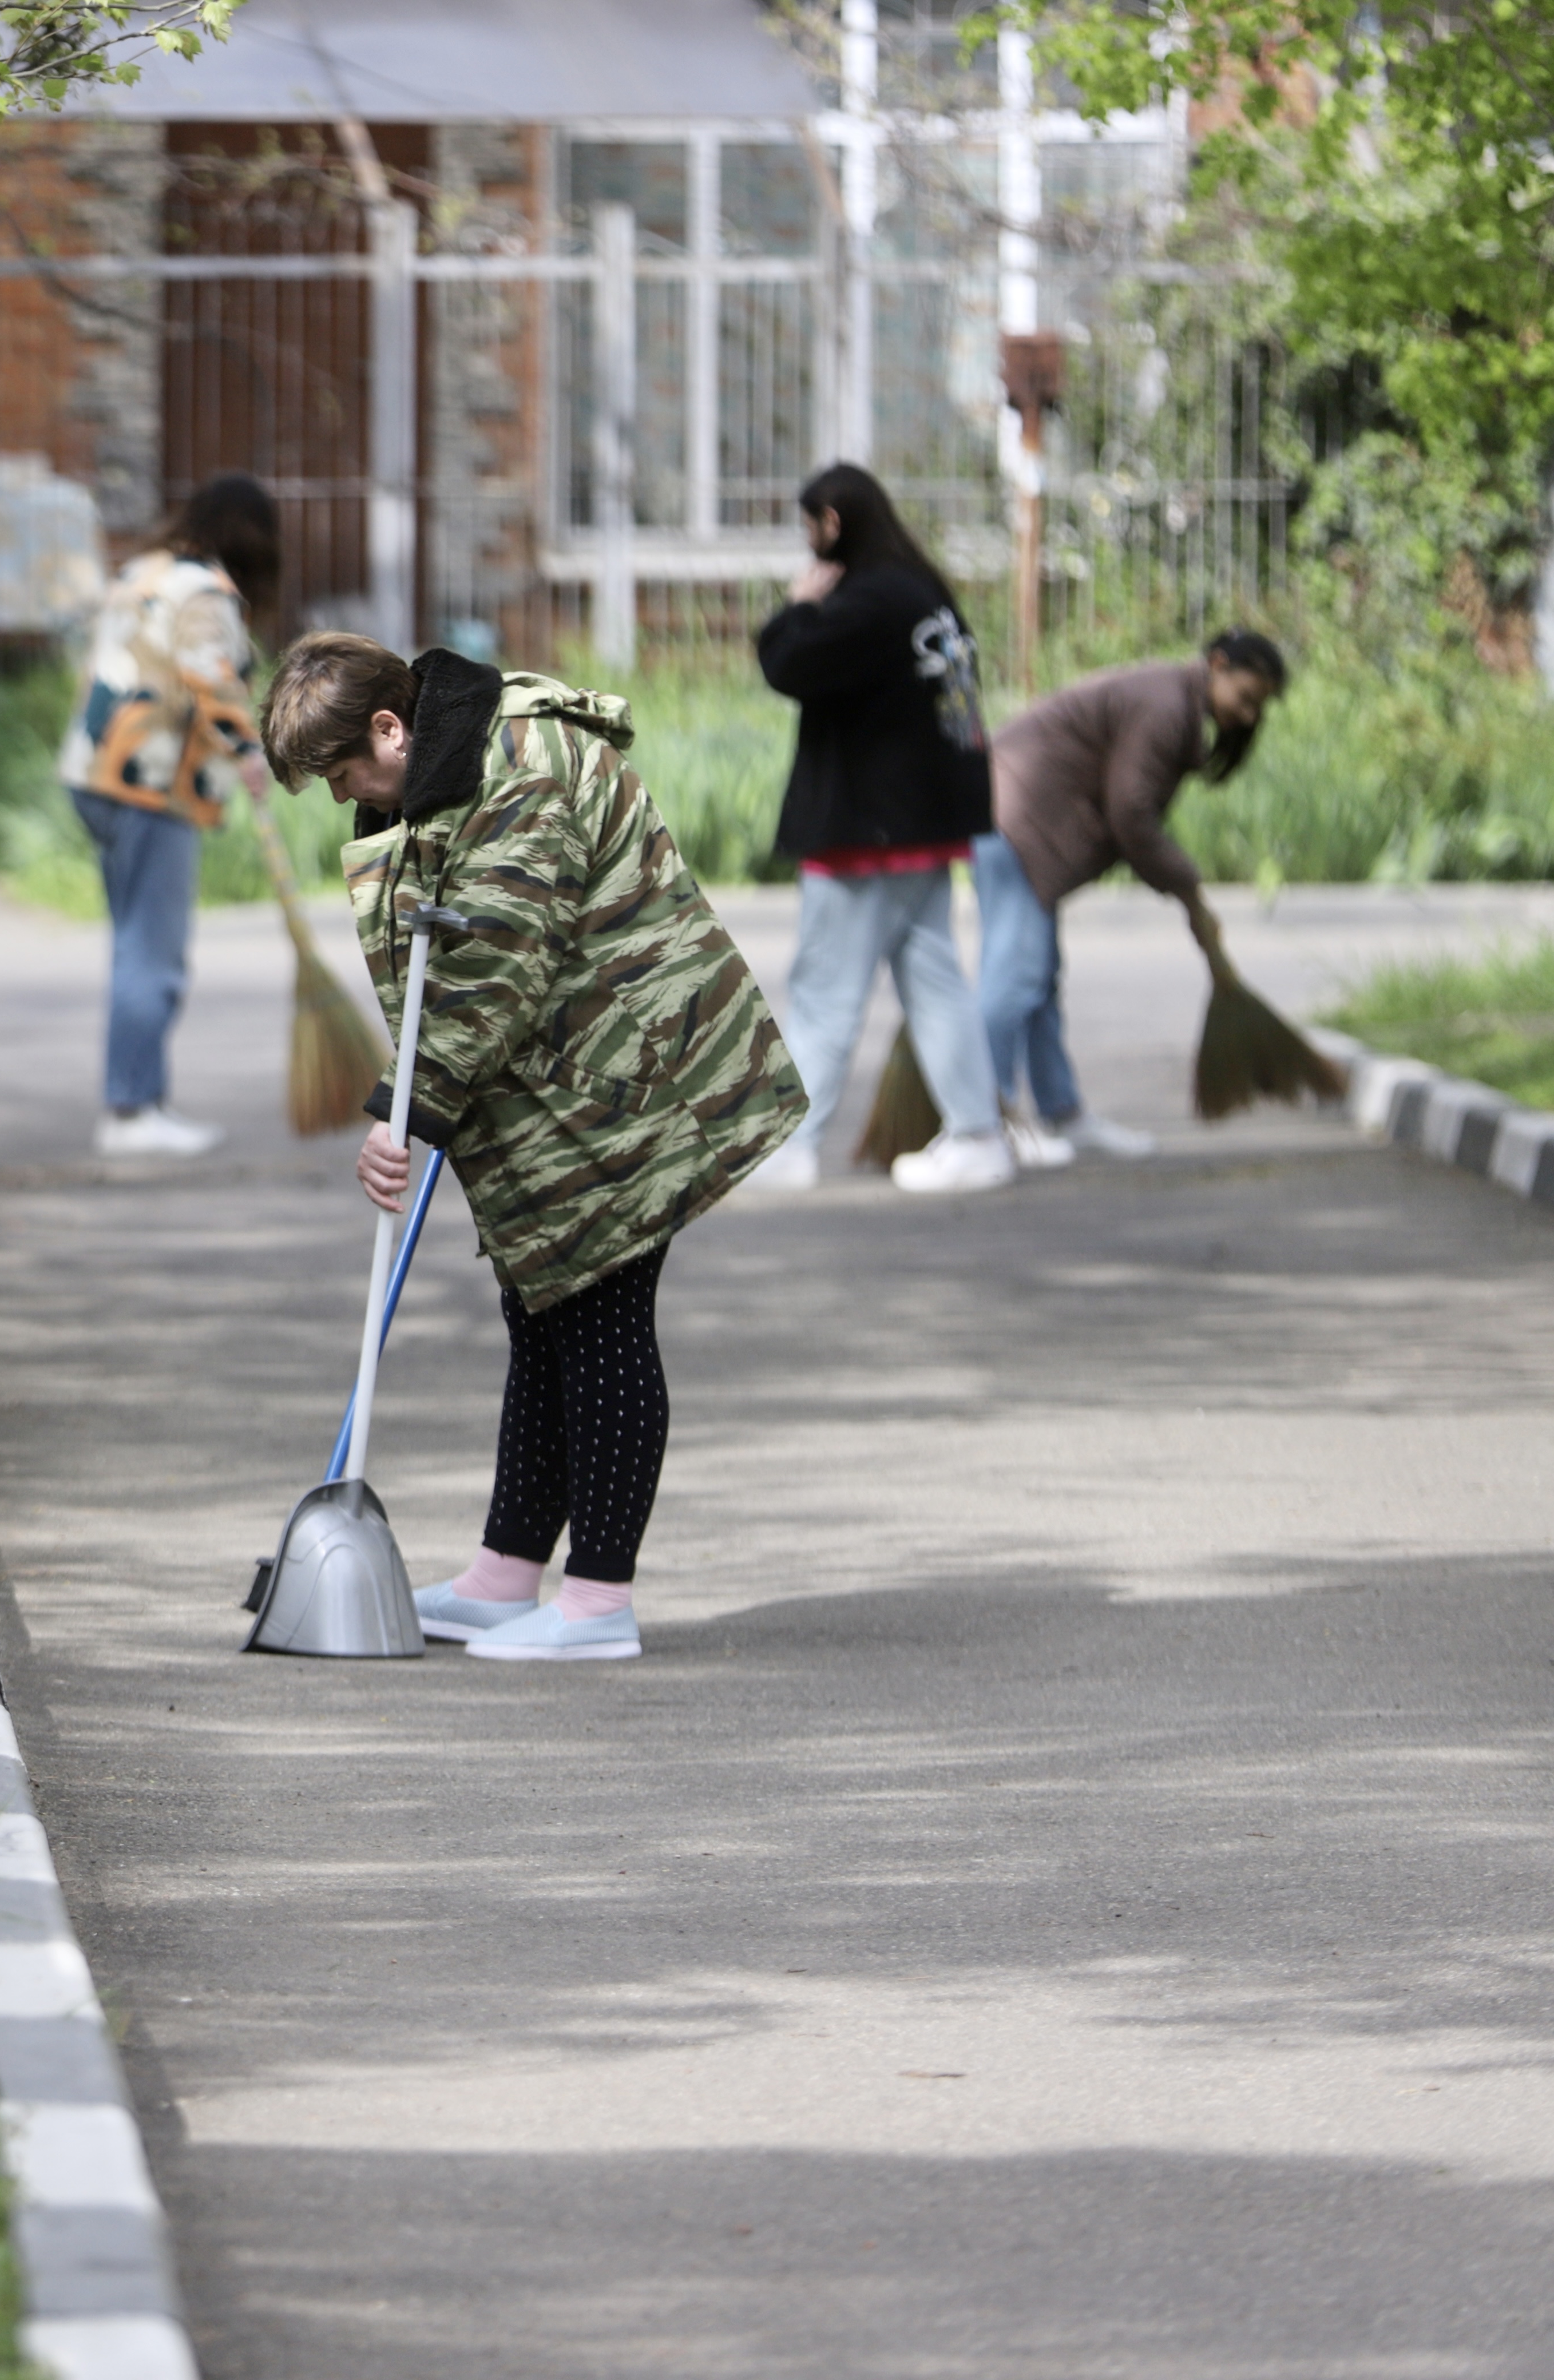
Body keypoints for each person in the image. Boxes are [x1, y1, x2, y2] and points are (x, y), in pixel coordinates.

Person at [260, 633, 807, 1663]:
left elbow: (500, 962)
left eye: (342, 778)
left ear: (391, 726)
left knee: (600, 1318)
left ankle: (600, 1603)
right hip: (568, 1082)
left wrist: (403, 1112)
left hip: (639, 1074)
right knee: (544, 1311)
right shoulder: (442, 763)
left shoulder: (518, 769)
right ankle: (506, 1575)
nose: (344, 802)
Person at [745, 462, 1016, 1195]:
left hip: (870, 833)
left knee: (825, 988)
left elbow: (786, 661)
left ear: (834, 522)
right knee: (935, 984)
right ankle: (978, 1136)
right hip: (922, 825)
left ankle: (795, 1147)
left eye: (811, 527)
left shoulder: (867, 601)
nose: (808, 546)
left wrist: (797, 606)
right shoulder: (922, 592)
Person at [977, 629, 1290, 1161]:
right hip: (1013, 818)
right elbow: (1131, 811)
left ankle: (1061, 1114)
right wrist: (1187, 888)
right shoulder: (1166, 706)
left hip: (1021, 819)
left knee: (1039, 976)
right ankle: (985, 1122)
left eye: (1260, 706)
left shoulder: (1174, 699)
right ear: (1217, 665)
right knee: (1016, 975)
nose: (1250, 715)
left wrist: (1183, 889)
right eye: (1246, 697)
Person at [58, 473, 281, 1158]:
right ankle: (131, 1111)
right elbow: (209, 672)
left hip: (94, 774)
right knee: (152, 954)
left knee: (134, 946)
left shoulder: (144, 572)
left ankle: (136, 1098)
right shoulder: (207, 592)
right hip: (150, 785)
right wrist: (250, 750)